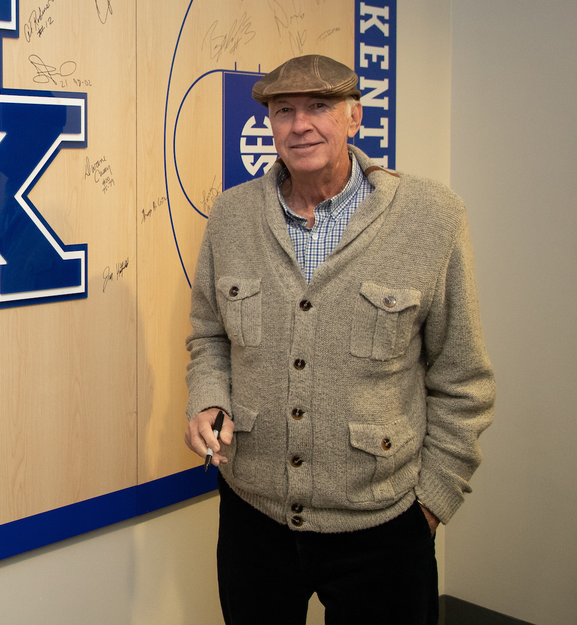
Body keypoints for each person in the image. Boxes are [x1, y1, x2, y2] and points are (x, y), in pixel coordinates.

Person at [183, 54, 495, 625]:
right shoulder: (231, 215)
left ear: (354, 117)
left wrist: (432, 503)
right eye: (284, 111)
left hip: (384, 528)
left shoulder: (433, 216)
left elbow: (462, 378)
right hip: (253, 521)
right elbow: (210, 336)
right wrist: (207, 399)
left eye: (319, 107)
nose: (300, 125)